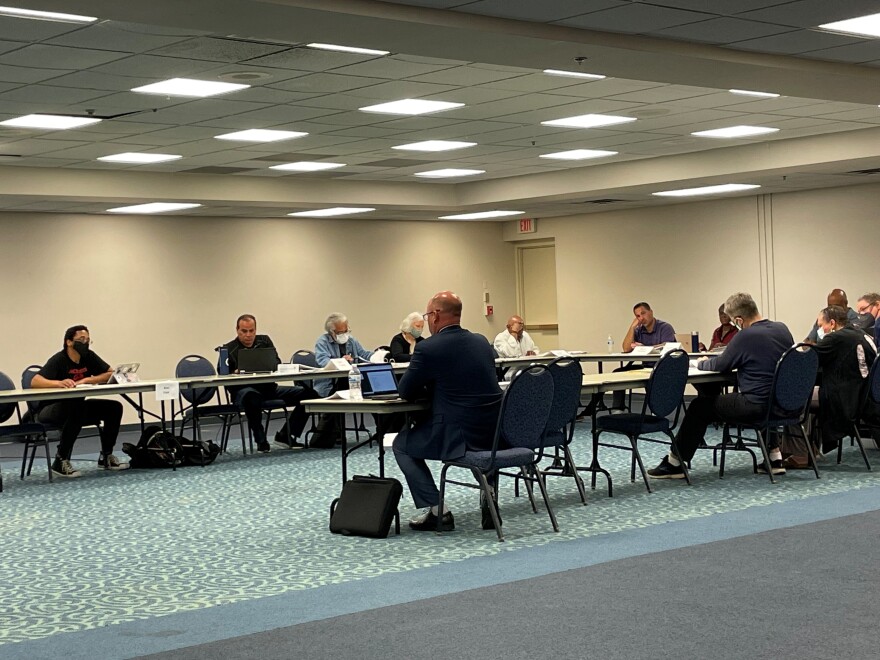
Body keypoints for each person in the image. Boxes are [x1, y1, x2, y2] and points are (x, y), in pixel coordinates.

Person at [648, 292, 795, 479]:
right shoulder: (782, 329)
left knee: (699, 407)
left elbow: (720, 364)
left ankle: (675, 462)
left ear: (739, 320)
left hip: (756, 406)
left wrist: (699, 362)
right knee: (764, 392)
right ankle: (774, 458)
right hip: (783, 404)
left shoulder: (746, 335)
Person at [393, 291, 503, 531]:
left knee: (401, 444)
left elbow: (406, 391)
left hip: (454, 435)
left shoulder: (429, 348)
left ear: (435, 315)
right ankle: (489, 491)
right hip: (490, 430)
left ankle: (436, 509)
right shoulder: (482, 342)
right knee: (480, 448)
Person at [30, 325, 128, 478]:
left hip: (77, 407)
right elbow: (35, 381)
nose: (85, 343)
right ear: (69, 342)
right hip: (49, 410)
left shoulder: (88, 356)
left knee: (114, 408)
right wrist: (59, 383)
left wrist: (89, 379)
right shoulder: (59, 359)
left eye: (88, 340)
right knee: (77, 407)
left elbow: (110, 373)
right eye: (81, 340)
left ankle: (106, 456)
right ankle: (60, 460)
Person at [221, 314, 318, 453]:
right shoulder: (228, 349)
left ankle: (286, 434)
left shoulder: (264, 341)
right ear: (237, 330)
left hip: (269, 389)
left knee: (310, 394)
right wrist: (234, 372)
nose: (248, 335)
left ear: (255, 330)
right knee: (252, 397)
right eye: (244, 331)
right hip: (243, 393)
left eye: (251, 331)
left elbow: (276, 362)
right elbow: (222, 374)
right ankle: (261, 440)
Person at [798, 306, 876, 461]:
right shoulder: (860, 333)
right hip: (863, 396)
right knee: (812, 397)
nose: (820, 330)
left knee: (799, 399)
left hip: (846, 398)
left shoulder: (835, 339)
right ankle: (810, 450)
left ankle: (801, 454)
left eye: (821, 326)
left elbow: (807, 362)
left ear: (832, 323)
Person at [311, 313, 374, 448]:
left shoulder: (351, 341)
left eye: (346, 330)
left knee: (371, 389)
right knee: (343, 385)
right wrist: (341, 361)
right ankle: (332, 434)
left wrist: (378, 356)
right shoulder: (322, 342)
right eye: (341, 332)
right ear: (332, 332)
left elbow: (363, 354)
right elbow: (323, 362)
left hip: (351, 382)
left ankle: (383, 430)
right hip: (328, 384)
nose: (345, 334)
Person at [608, 302, 677, 410]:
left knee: (653, 377)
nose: (641, 318)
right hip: (645, 367)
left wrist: (644, 347)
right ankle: (618, 409)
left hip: (661, 367)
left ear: (651, 312)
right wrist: (632, 328)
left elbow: (667, 348)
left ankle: (657, 410)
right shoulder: (639, 330)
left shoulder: (665, 327)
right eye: (638, 316)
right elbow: (626, 348)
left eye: (643, 313)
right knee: (618, 373)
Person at [804, 289, 869, 342]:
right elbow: (808, 341)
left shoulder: (857, 320)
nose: (833, 309)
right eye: (830, 306)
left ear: (845, 303)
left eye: (836, 306)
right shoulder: (824, 318)